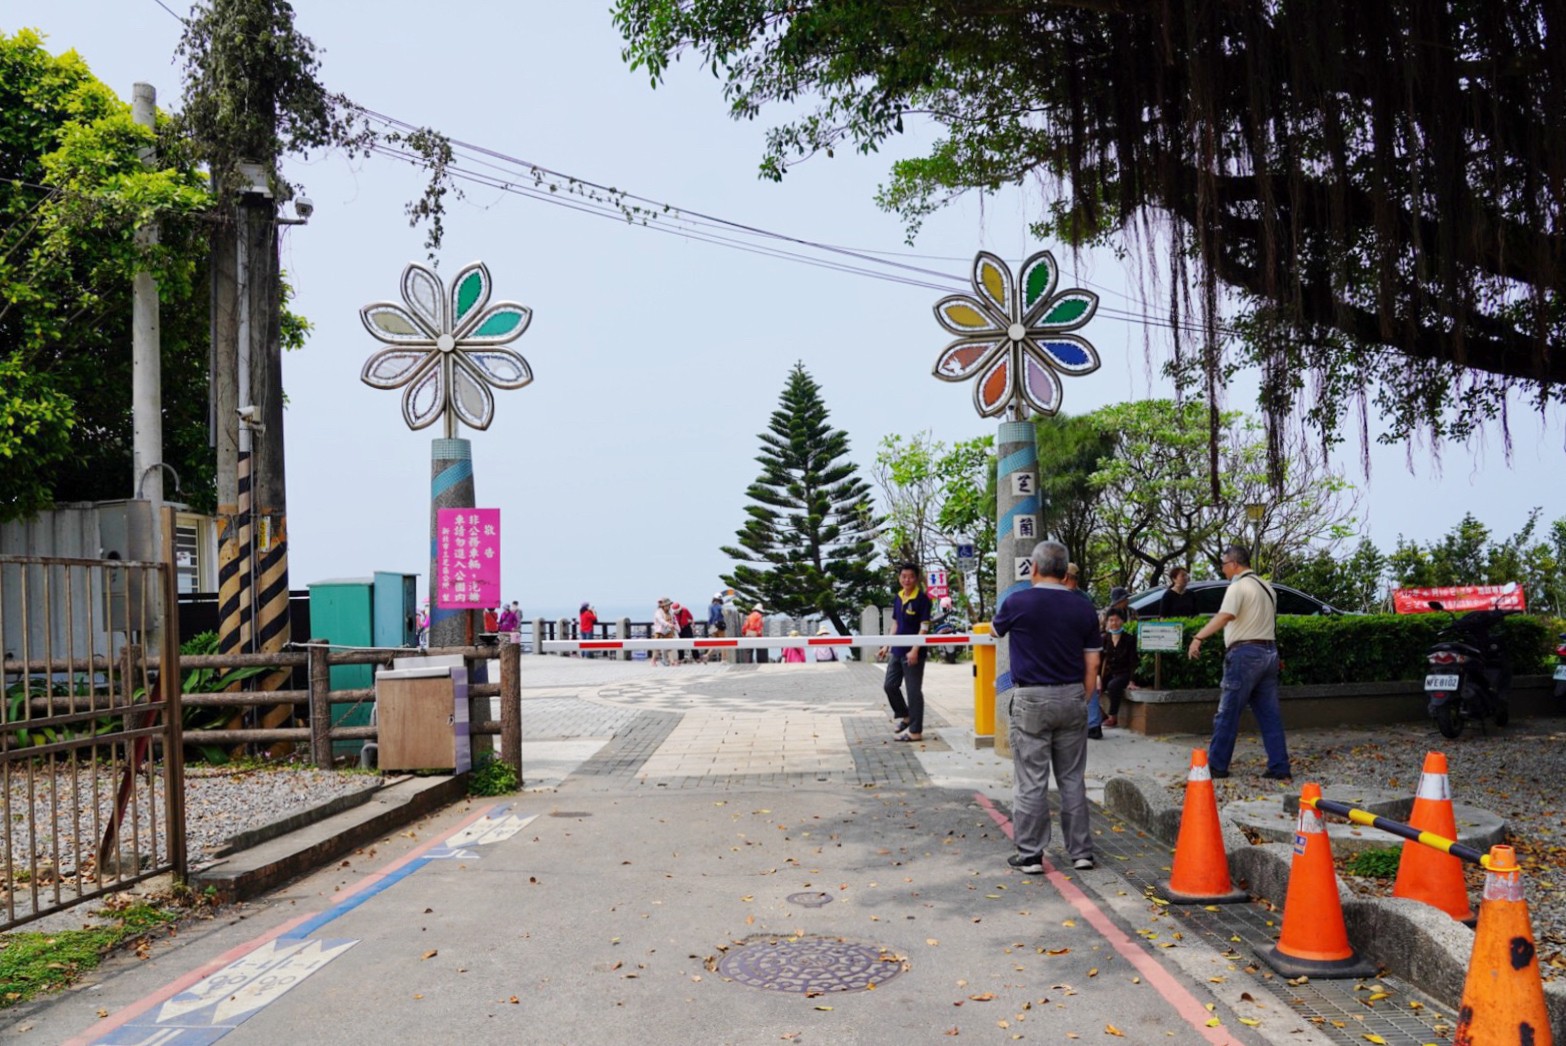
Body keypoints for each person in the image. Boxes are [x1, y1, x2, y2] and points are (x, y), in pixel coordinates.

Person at [991, 540, 1101, 873]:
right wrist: (1081, 697)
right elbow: (1093, 663)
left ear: (1034, 569)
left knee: (1030, 780)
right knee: (1071, 779)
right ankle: (1081, 852)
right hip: (1071, 696)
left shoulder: (1017, 601)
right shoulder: (1084, 608)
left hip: (1031, 699)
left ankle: (1031, 855)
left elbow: (996, 631)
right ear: (1065, 570)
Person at [1187, 544, 1291, 781]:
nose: (1222, 570)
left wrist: (1198, 637)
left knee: (1227, 713)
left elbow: (1225, 616)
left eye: (1223, 565)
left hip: (1245, 655)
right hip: (1269, 653)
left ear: (1234, 564)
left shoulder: (1238, 587)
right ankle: (1279, 766)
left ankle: (1216, 766)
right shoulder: (1267, 587)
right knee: (1270, 715)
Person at [882, 562, 932, 741]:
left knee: (913, 691)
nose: (907, 580)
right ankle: (906, 715)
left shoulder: (923, 599)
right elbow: (895, 623)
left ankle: (915, 731)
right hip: (897, 650)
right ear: (899, 578)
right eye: (903, 576)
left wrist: (915, 649)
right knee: (889, 685)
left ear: (916, 578)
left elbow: (924, 626)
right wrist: (886, 645)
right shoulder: (898, 596)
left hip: (913, 653)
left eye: (910, 576)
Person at [1098, 609, 1138, 728]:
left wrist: (1132, 680)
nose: (1114, 623)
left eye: (1116, 620)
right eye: (1111, 620)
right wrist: (1097, 677)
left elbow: (1133, 661)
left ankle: (1112, 717)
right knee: (1093, 686)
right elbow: (1099, 660)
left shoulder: (1129, 639)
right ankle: (1100, 713)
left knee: (1113, 686)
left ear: (1122, 621)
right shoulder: (1104, 639)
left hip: (1123, 673)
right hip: (1108, 672)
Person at [653, 597, 677, 667]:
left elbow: (674, 620)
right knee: (656, 648)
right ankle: (653, 660)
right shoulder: (658, 612)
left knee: (669, 647)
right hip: (659, 631)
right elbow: (661, 620)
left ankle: (672, 661)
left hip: (668, 631)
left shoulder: (671, 611)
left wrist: (676, 628)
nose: (669, 606)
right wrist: (668, 624)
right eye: (667, 605)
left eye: (669, 605)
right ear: (663, 606)